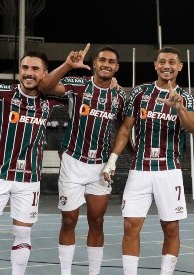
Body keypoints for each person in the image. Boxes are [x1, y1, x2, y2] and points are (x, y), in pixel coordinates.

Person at [0, 47, 66, 275]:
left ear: (45, 73)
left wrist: (112, 83)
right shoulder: (4, 94)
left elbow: (85, 91)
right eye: (25, 67)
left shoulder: (52, 100)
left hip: (29, 180)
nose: (29, 73)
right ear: (19, 70)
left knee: (23, 235)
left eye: (35, 69)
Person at [102, 46, 194, 275]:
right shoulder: (140, 93)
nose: (167, 66)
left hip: (169, 170)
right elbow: (125, 129)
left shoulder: (185, 96)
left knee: (171, 227)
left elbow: (193, 127)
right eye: (162, 62)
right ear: (155, 65)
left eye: (172, 62)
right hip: (140, 170)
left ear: (179, 67)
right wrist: (112, 160)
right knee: (130, 226)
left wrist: (179, 108)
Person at [38, 44, 126, 275]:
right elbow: (44, 86)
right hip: (73, 161)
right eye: (102, 60)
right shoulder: (78, 85)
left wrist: (113, 161)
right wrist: (68, 65)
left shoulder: (119, 96)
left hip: (100, 166)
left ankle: (93, 273)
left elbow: (124, 130)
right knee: (69, 220)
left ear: (116, 68)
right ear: (95, 64)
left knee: (97, 221)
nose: (106, 64)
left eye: (111, 62)